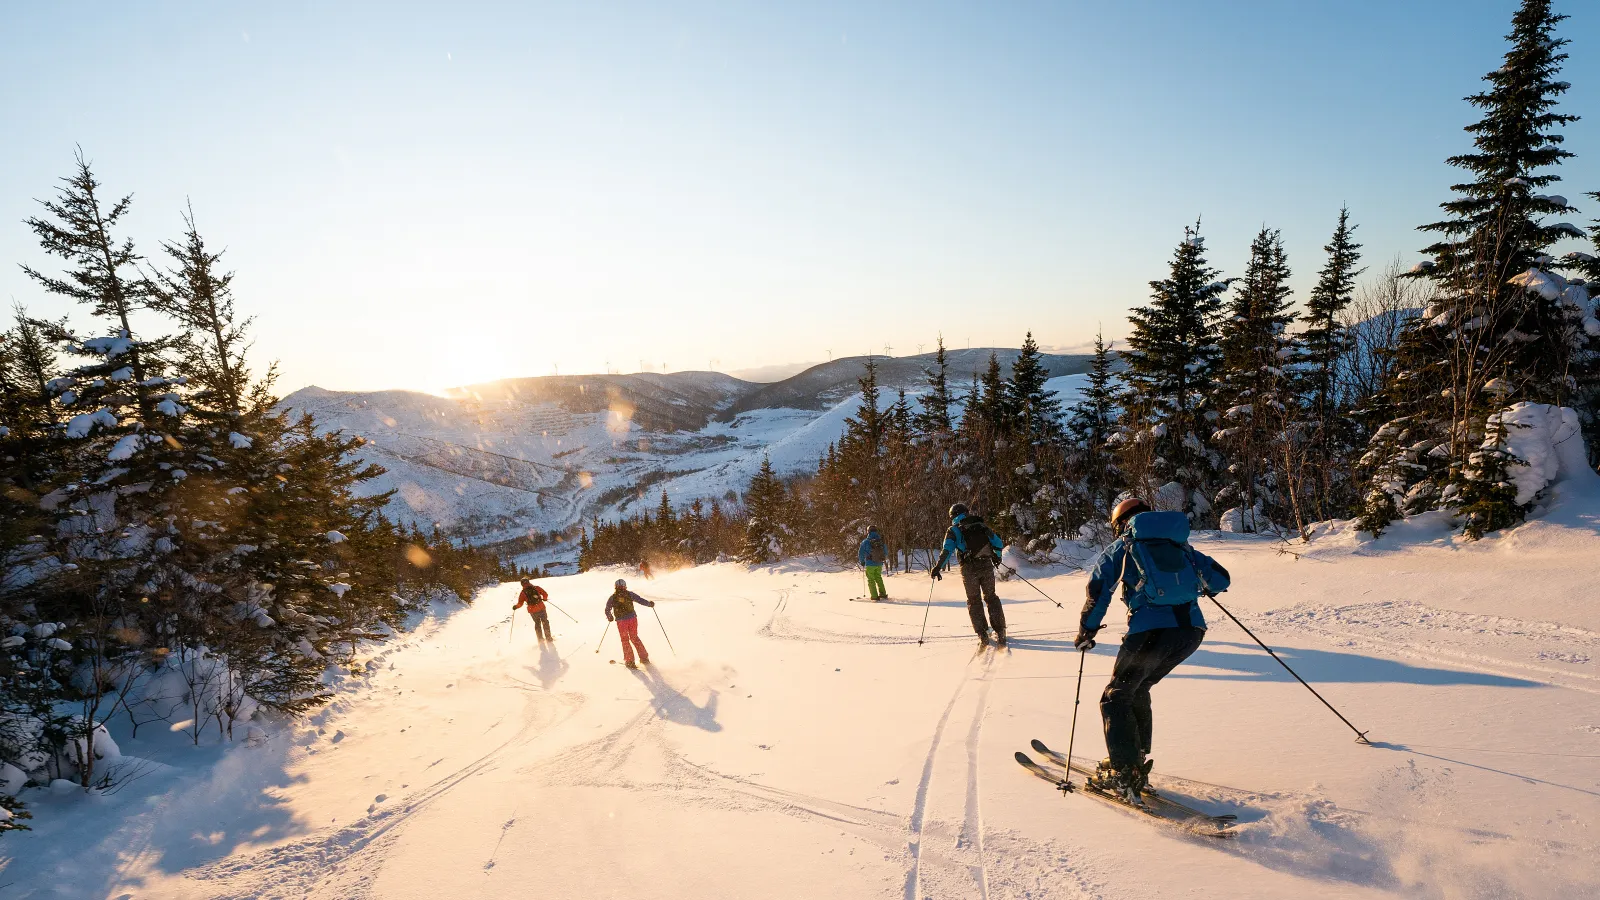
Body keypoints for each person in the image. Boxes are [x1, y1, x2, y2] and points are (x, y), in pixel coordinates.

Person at [1076, 498, 1231, 803]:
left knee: (1115, 696)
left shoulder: (1124, 547)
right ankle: (1135, 760)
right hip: (1190, 633)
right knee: (1137, 688)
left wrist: (1087, 630)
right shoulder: (1182, 547)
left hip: (1151, 632)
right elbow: (1221, 579)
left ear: (1122, 522)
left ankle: (1124, 772)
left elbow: (1099, 590)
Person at [930, 503, 1008, 645]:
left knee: (974, 600)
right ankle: (1001, 630)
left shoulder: (953, 530)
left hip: (968, 569)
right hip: (985, 565)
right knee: (991, 597)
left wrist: (938, 567)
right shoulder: (980, 525)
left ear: (952, 516)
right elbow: (998, 542)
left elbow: (946, 550)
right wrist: (997, 557)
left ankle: (982, 633)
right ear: (966, 512)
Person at [605, 578, 656, 669]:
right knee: (634, 637)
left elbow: (607, 609)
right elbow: (640, 600)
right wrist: (649, 604)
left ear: (615, 587)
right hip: (632, 619)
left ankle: (630, 661)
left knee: (625, 640)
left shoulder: (613, 597)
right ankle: (644, 658)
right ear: (625, 586)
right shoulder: (629, 594)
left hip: (621, 622)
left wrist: (610, 616)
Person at [513, 578, 553, 643]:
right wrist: (545, 599)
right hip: (541, 608)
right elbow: (545, 594)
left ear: (522, 584)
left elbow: (520, 603)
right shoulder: (536, 588)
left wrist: (516, 607)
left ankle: (540, 640)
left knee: (537, 624)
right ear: (529, 582)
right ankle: (549, 638)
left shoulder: (523, 593)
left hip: (532, 611)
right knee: (545, 622)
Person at [858, 525, 889, 601]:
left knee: (871, 580)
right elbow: (886, 552)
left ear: (868, 531)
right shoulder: (881, 541)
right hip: (879, 563)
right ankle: (883, 594)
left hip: (870, 564)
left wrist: (862, 561)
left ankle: (874, 596)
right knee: (878, 578)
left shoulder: (865, 541)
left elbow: (860, 552)